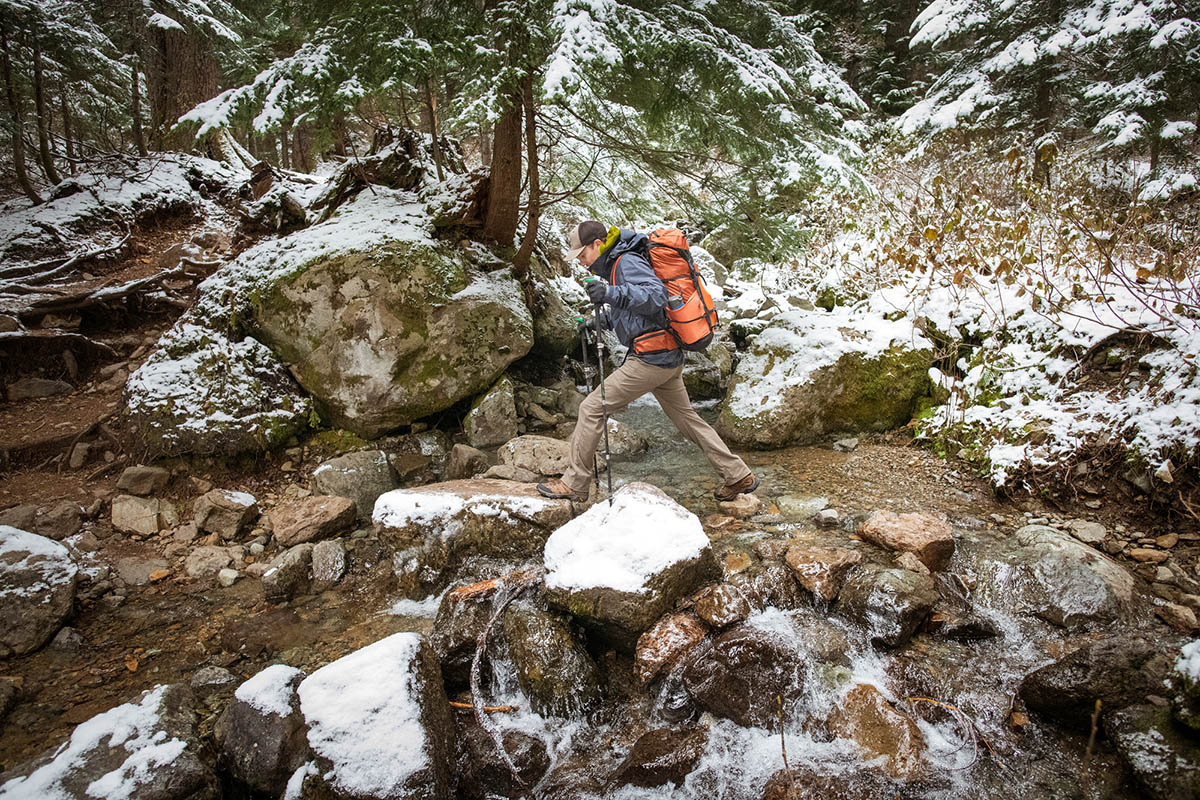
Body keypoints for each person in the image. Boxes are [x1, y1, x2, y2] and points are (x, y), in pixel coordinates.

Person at [536, 220, 759, 503]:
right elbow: (635, 313)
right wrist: (597, 322)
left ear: (597, 244)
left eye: (582, 255)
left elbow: (655, 296)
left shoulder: (625, 262)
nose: (580, 262)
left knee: (591, 408)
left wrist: (610, 294)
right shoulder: (619, 263)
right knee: (688, 420)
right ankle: (737, 474)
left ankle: (574, 483)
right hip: (667, 358)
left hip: (651, 359)